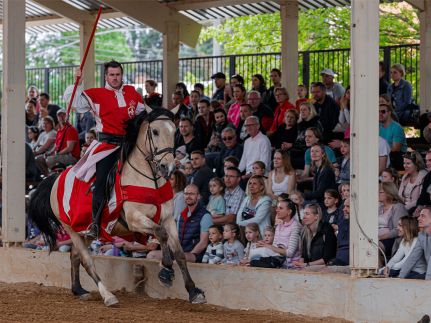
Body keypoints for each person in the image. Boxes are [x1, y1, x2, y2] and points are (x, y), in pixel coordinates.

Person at [64, 60, 144, 237]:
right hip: (107, 146)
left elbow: (143, 113)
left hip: (130, 143)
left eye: (118, 75)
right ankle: (95, 222)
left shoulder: (132, 92)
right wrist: (77, 81)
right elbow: (75, 104)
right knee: (102, 181)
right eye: (112, 75)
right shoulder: (96, 95)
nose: (115, 78)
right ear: (106, 76)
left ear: (122, 75)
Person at [148, 184, 213, 263]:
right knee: (151, 255)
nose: (188, 196)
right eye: (186, 194)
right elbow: (176, 238)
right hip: (181, 253)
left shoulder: (205, 215)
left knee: (179, 258)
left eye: (192, 194)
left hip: (195, 255)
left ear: (198, 196)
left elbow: (203, 243)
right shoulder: (181, 215)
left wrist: (190, 255)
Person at [254, 198, 301, 268]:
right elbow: (275, 247)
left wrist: (269, 246)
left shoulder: (295, 226)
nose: (277, 210)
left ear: (289, 212)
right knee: (254, 258)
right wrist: (263, 245)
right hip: (279, 262)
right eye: (277, 208)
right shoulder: (279, 226)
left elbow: (290, 253)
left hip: (292, 266)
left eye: (280, 208)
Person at [36, 109, 80, 176]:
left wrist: (57, 154)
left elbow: (69, 148)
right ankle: (48, 176)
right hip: (61, 154)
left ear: (67, 116)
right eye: (59, 115)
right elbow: (56, 146)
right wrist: (50, 152)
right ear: (57, 117)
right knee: (39, 159)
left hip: (71, 156)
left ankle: (54, 177)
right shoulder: (59, 130)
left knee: (49, 160)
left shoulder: (71, 129)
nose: (62, 117)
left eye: (64, 115)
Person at [293, 203, 337, 268]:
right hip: (310, 268)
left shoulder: (326, 229)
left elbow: (327, 258)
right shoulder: (305, 232)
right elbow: (304, 256)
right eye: (304, 214)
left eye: (307, 214)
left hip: (325, 268)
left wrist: (306, 265)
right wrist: (299, 264)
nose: (304, 217)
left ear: (316, 216)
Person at [399, 207, 431, 280]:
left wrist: (428, 282)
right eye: (419, 215)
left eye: (423, 216)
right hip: (428, 273)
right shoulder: (421, 235)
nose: (418, 218)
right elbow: (413, 257)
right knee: (408, 279)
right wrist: (401, 277)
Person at [378, 182, 408, 260]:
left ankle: (379, 269)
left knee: (373, 247)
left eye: (380, 192)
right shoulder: (380, 207)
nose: (377, 194)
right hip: (379, 239)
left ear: (388, 193)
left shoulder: (398, 207)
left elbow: (398, 230)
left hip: (392, 240)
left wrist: (380, 237)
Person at [379, 102, 407, 170]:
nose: (380, 114)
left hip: (396, 158)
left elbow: (396, 149)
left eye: (383, 111)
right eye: (378, 111)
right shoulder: (377, 126)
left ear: (389, 113)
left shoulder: (397, 127)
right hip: (383, 156)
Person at [328, 198, 350, 266]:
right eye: (344, 206)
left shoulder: (361, 226)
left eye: (348, 206)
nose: (344, 209)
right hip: (338, 259)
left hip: (349, 264)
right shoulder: (342, 223)